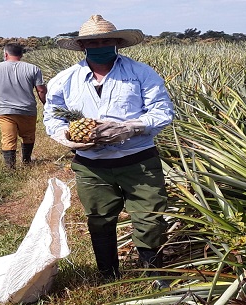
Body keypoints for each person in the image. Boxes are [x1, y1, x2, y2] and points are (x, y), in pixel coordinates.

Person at [42, 15, 174, 288]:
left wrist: (131, 128)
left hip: (139, 160)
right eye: (93, 42)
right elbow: (52, 117)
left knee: (149, 218)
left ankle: (155, 275)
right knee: (99, 220)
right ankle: (108, 274)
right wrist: (68, 137)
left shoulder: (141, 73)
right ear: (82, 46)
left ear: (117, 43)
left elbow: (163, 111)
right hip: (92, 164)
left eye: (106, 40)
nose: (100, 45)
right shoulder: (65, 80)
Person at [0, 43, 47, 168]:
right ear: (21, 55)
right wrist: (46, 106)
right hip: (27, 110)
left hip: (5, 111)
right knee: (28, 136)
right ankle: (26, 161)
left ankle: (10, 168)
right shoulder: (33, 68)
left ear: (5, 54)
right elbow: (41, 90)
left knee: (8, 139)